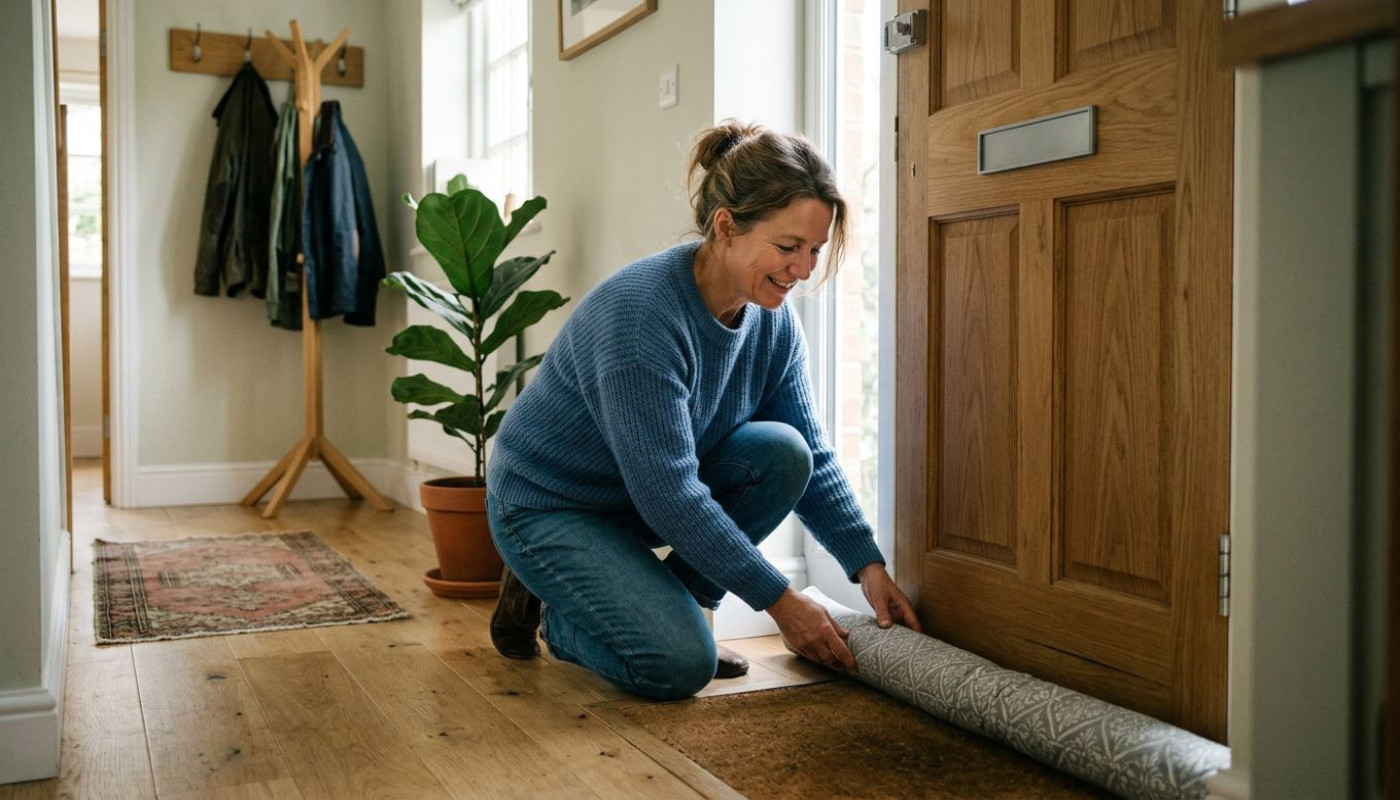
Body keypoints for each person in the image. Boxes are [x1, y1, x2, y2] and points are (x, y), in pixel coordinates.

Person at [485, 120, 921, 701]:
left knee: (784, 453)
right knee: (680, 666)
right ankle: (557, 617)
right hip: (549, 504)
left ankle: (668, 608)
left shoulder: (772, 323)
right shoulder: (642, 317)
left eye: (814, 250)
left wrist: (868, 566)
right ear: (726, 227)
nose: (804, 269)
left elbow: (812, 457)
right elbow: (670, 494)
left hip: (634, 500)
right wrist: (781, 602)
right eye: (788, 247)